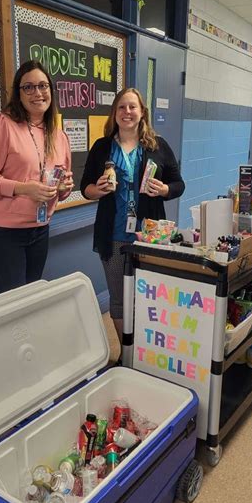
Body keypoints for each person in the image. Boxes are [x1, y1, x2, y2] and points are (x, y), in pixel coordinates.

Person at [80, 88, 184, 350]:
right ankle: (128, 353)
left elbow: (179, 184)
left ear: (142, 112)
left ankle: (147, 351)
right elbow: (85, 189)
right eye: (122, 107)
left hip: (150, 236)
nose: (127, 112)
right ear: (114, 113)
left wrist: (164, 190)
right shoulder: (102, 147)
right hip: (113, 235)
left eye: (132, 107)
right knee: (119, 298)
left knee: (149, 294)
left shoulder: (158, 146)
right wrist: (98, 189)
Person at [0, 60, 73, 294]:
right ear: (18, 93)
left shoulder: (59, 135)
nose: (38, 93)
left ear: (51, 91)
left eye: (43, 86)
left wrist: (64, 187)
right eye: (29, 87)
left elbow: (62, 187)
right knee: (11, 306)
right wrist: (23, 188)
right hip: (2, 233)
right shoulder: (0, 125)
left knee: (30, 300)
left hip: (40, 228)